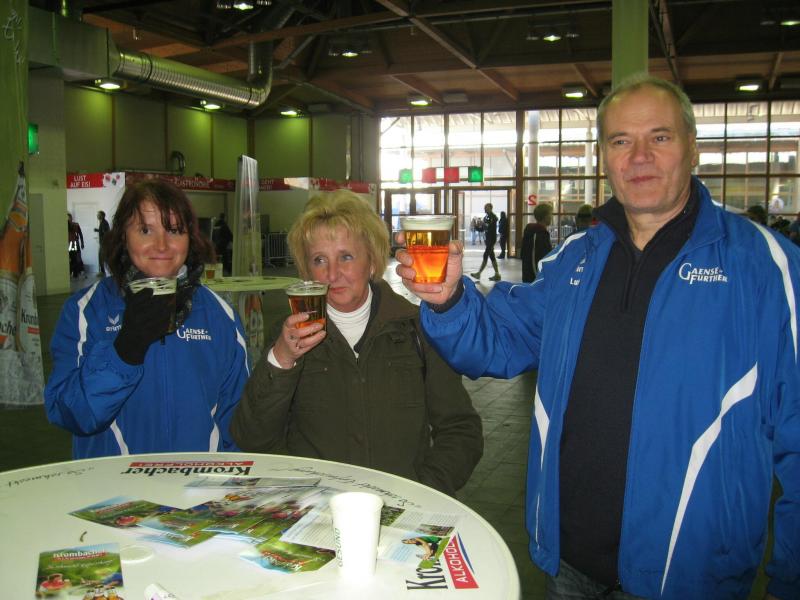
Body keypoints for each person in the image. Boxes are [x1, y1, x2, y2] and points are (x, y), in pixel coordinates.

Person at [395, 75, 799, 599]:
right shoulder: (576, 260)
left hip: (690, 577)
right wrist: (449, 300)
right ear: (605, 157)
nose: (640, 156)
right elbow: (499, 341)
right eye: (621, 140)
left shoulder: (766, 269)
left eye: (660, 137)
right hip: (568, 566)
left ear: (693, 147)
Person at [230, 190, 482, 496]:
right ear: (307, 270)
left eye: (346, 257)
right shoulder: (288, 338)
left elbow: (461, 430)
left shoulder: (417, 331)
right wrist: (281, 360)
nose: (332, 274)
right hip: (316, 512)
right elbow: (252, 438)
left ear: (372, 261)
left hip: (400, 512)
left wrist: (424, 491)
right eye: (319, 260)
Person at [45, 180, 249, 459]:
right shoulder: (85, 312)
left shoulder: (220, 316)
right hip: (114, 485)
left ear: (190, 237)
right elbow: (70, 414)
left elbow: (237, 425)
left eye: (174, 230)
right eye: (145, 230)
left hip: (199, 484)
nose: (161, 245)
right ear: (123, 236)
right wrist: (125, 350)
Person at [519, 203, 553, 283]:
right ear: (545, 216)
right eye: (550, 214)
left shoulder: (532, 231)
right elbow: (539, 257)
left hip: (530, 276)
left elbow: (523, 254)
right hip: (535, 278)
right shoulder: (539, 233)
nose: (551, 217)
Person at [471, 203, 501, 282]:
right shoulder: (486, 217)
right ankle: (497, 274)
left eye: (486, 207)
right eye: (484, 207)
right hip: (488, 240)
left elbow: (489, 226)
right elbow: (482, 229)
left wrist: (483, 224)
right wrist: (476, 226)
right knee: (492, 256)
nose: (485, 209)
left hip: (491, 239)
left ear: (490, 208)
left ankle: (479, 273)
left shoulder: (493, 217)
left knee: (486, 255)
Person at [67, 213, 86, 279]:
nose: (68, 219)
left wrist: (82, 243)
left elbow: (80, 234)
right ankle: (74, 273)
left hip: (73, 243)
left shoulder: (75, 225)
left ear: (71, 218)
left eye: (69, 217)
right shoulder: (66, 225)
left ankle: (78, 272)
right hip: (69, 243)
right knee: (72, 258)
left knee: (76, 258)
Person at [94, 210, 110, 276]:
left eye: (99, 214)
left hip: (104, 244)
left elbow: (106, 233)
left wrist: (104, 243)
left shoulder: (104, 223)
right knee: (101, 258)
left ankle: (103, 272)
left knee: (102, 258)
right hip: (103, 243)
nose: (97, 216)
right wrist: (98, 230)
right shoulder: (102, 222)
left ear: (102, 216)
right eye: (97, 214)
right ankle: (103, 272)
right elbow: (103, 231)